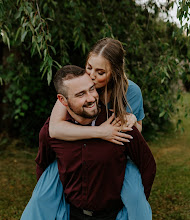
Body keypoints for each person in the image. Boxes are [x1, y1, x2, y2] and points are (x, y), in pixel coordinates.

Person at [21, 38, 152, 220]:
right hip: (77, 149)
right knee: (41, 198)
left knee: (136, 200)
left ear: (114, 72)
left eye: (100, 72)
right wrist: (101, 132)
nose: (91, 76)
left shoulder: (131, 92)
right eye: (89, 67)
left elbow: (137, 133)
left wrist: (132, 120)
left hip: (117, 154)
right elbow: (55, 129)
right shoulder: (77, 86)